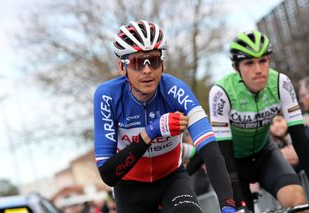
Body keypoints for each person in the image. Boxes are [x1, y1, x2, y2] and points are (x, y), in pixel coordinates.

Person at [93, 20, 238, 213]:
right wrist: (152, 130)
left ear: (162, 64)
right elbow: (108, 174)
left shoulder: (176, 90)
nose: (147, 70)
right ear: (122, 67)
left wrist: (228, 205)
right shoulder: (107, 96)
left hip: (172, 181)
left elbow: (210, 149)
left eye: (153, 60)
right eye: (137, 62)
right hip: (129, 189)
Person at [208, 30, 309, 212]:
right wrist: (238, 203)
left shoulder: (280, 83)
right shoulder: (221, 92)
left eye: (263, 61)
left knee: (298, 202)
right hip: (233, 164)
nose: (258, 69)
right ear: (236, 67)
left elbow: (300, 139)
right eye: (249, 63)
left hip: (265, 156)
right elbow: (223, 152)